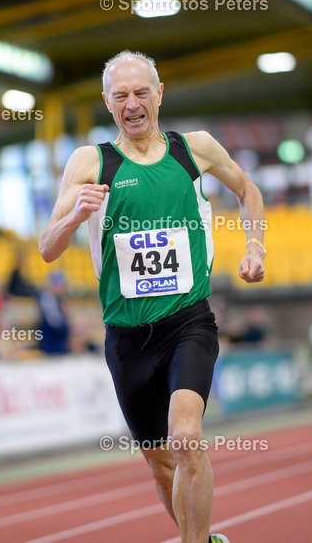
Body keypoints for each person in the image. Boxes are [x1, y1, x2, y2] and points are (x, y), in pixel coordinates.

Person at [39, 50, 265, 543]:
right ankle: (202, 537)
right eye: (120, 95)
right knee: (162, 465)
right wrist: (76, 215)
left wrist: (255, 246)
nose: (133, 103)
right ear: (106, 101)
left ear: (159, 94)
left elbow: (248, 191)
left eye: (142, 92)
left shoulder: (194, 149)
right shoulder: (90, 161)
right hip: (126, 337)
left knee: (185, 438)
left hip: (188, 322)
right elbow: (47, 248)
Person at [37, 271, 71, 355]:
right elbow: (56, 324)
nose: (59, 288)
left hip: (57, 343)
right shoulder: (48, 299)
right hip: (52, 345)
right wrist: (70, 326)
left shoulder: (58, 299)